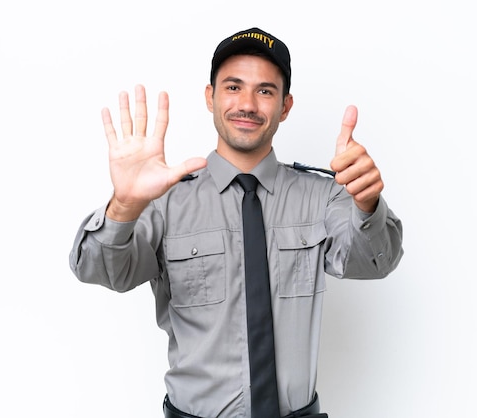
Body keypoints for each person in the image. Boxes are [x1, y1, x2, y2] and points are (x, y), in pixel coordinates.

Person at [69, 27, 404, 418]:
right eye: (232, 87)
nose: (247, 104)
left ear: (285, 106)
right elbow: (101, 271)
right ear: (210, 96)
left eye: (265, 91)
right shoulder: (164, 200)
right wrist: (124, 204)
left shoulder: (323, 196)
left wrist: (367, 204)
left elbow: (376, 261)